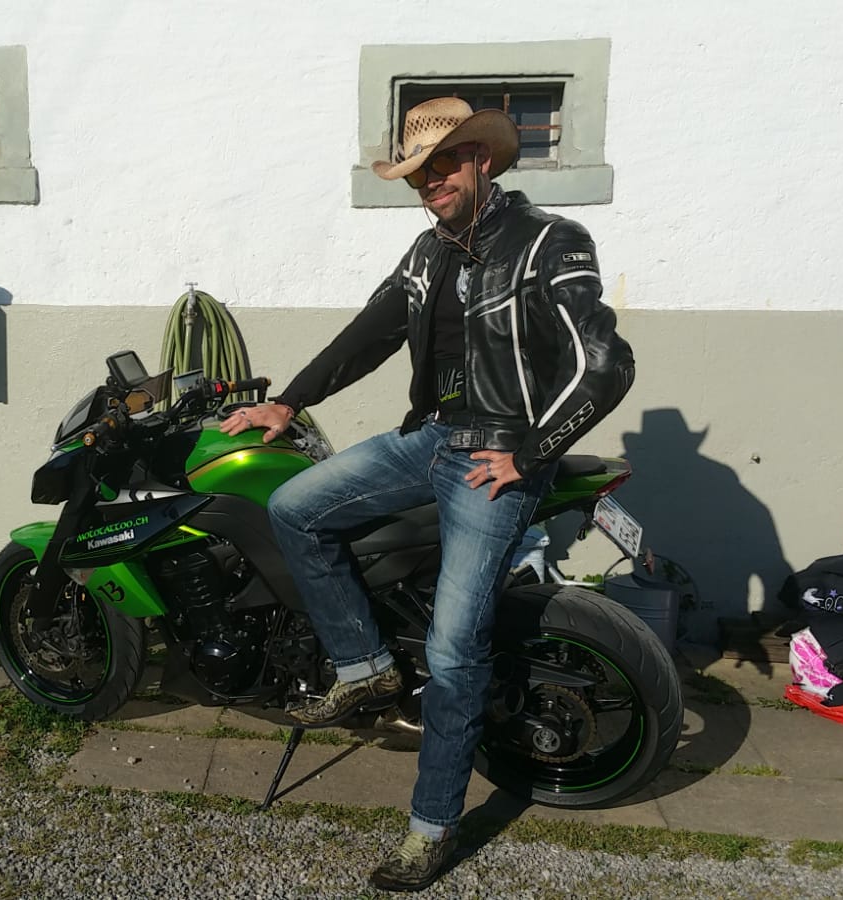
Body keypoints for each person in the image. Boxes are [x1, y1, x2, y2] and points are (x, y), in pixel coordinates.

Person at [219, 96, 635, 892]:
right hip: (430, 438)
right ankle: (365, 665)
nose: (429, 182)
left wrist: (531, 454)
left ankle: (430, 827)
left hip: (497, 458)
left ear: (480, 158)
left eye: (442, 165)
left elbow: (605, 364)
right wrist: (290, 402)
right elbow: (368, 334)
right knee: (295, 508)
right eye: (417, 174)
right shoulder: (427, 253)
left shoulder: (550, 241)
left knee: (452, 650)